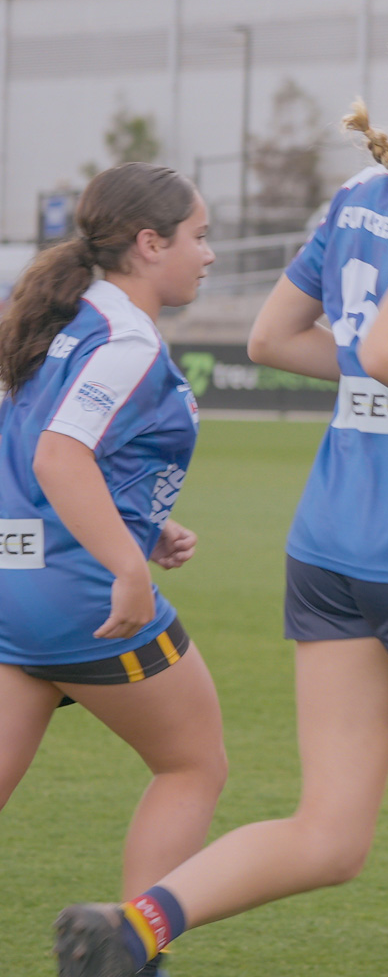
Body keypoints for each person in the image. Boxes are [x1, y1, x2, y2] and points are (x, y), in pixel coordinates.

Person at [55, 0, 388, 977]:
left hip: (329, 545)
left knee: (330, 832)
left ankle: (138, 925)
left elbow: (272, 340)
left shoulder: (361, 195)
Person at [2, 165, 224, 977]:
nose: (208, 254)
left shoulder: (60, 320)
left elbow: (38, 449)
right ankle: (132, 954)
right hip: (79, 598)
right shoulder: (125, 338)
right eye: (198, 236)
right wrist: (125, 563)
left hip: (14, 583)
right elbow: (61, 456)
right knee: (193, 764)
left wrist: (142, 523)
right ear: (149, 243)